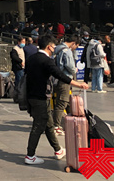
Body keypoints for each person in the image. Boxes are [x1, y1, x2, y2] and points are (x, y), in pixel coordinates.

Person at [24, 35, 89, 165]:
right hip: (41, 97)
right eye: (53, 46)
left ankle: (58, 150)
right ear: (49, 46)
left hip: (31, 96)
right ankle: (30, 155)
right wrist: (78, 84)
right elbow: (59, 75)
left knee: (49, 124)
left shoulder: (31, 58)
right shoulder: (46, 61)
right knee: (38, 126)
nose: (54, 48)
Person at [52, 35, 79, 136]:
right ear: (73, 43)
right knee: (62, 102)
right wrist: (74, 70)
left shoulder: (57, 49)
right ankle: (56, 126)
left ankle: (70, 121)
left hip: (56, 78)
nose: (75, 48)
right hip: (65, 79)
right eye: (76, 46)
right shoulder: (67, 51)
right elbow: (70, 66)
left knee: (64, 100)